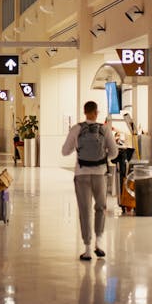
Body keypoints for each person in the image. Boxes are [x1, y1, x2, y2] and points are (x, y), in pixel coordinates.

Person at [61, 101, 118, 261]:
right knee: (100, 207)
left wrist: (77, 148)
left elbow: (65, 151)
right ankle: (99, 243)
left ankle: (87, 249)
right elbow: (114, 152)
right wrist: (103, 155)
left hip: (81, 174)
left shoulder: (77, 129)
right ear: (96, 112)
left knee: (84, 210)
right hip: (100, 174)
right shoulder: (104, 129)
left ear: (85, 111)